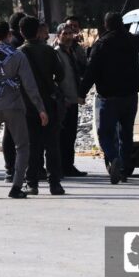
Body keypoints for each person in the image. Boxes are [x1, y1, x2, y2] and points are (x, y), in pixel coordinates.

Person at [0, 20, 48, 198]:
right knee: (22, 146)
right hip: (14, 105)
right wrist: (40, 108)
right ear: (10, 35)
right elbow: (30, 85)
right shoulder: (18, 55)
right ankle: (16, 187)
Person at [80, 12, 139, 185]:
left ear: (106, 25)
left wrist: (81, 92)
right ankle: (123, 169)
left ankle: (113, 158)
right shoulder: (131, 40)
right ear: (121, 23)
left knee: (105, 133)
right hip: (130, 96)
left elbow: (91, 72)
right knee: (126, 133)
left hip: (109, 97)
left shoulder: (101, 44)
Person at [18, 16, 65, 196]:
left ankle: (32, 183)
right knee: (52, 144)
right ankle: (55, 184)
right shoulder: (48, 51)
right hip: (48, 102)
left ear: (21, 32)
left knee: (31, 144)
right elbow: (60, 75)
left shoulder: (18, 53)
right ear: (38, 31)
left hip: (27, 104)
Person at [54, 18, 88, 177]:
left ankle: (69, 165)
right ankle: (60, 166)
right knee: (62, 136)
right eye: (65, 34)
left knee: (71, 135)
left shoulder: (73, 52)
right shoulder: (56, 53)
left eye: (70, 33)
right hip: (62, 101)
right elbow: (54, 79)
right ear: (58, 36)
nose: (68, 36)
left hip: (73, 99)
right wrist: (62, 98)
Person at [2, 11, 28, 178]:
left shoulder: (7, 44)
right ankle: (14, 168)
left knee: (9, 131)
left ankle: (10, 167)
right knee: (15, 133)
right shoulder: (19, 45)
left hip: (5, 91)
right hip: (18, 91)